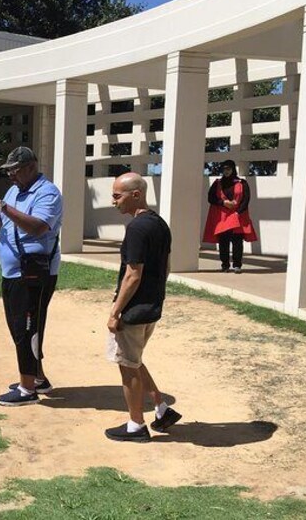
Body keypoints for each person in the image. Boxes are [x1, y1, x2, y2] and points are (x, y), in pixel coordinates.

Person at [0, 146, 62, 407]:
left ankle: (27, 390)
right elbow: (3, 223)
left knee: (27, 328)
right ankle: (37, 378)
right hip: (13, 272)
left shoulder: (48, 193)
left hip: (33, 273)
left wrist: (1, 205)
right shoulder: (15, 191)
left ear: (30, 167)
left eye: (14, 170)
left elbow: (37, 227)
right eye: (8, 171)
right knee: (21, 327)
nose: (10, 176)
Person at [106, 172, 181, 442]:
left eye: (117, 195)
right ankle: (161, 408)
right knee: (134, 360)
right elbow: (167, 267)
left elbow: (132, 274)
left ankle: (136, 425)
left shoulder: (137, 228)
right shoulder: (160, 224)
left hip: (134, 311)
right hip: (151, 307)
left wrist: (116, 312)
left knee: (127, 365)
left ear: (135, 195)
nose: (113, 201)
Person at [202, 159, 258, 273]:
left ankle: (237, 265)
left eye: (228, 169)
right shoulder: (218, 183)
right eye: (224, 169)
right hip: (222, 217)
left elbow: (246, 199)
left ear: (233, 169)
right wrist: (223, 203)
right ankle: (225, 265)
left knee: (237, 241)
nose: (226, 171)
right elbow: (210, 198)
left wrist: (239, 212)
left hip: (238, 215)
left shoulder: (242, 183)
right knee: (224, 242)